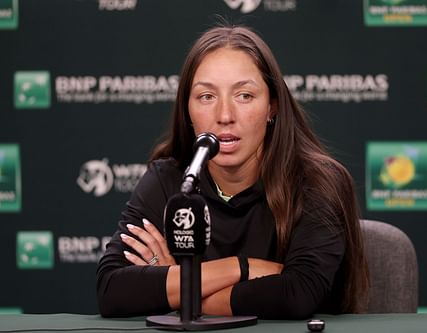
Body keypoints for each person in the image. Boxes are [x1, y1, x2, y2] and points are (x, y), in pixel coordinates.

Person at [96, 24, 369, 319]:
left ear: (272, 107)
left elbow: (295, 295)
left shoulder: (318, 183)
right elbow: (112, 291)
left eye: (245, 96)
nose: (225, 116)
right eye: (206, 97)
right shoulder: (170, 180)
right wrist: (242, 267)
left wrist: (177, 286)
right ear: (187, 109)